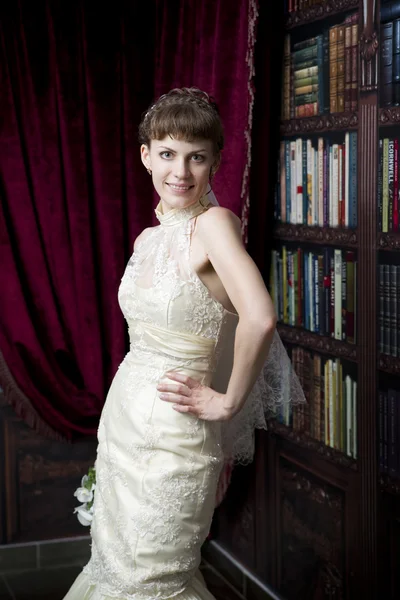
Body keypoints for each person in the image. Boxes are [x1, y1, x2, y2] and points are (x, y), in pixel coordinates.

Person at [63, 87, 304, 600]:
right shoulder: (146, 241)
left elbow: (258, 318)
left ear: (215, 161)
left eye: (197, 157)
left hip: (175, 436)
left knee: (151, 579)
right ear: (146, 155)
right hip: (123, 425)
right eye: (168, 154)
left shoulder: (214, 225)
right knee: (114, 567)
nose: (181, 172)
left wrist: (228, 402)